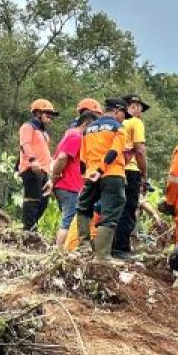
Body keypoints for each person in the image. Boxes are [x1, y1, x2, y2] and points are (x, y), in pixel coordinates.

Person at [75, 97, 129, 259]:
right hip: (112, 174)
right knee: (111, 213)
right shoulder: (118, 128)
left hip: (91, 174)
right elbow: (114, 151)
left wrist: (87, 174)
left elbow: (82, 158)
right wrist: (101, 168)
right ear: (118, 111)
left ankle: (84, 247)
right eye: (124, 114)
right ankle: (102, 256)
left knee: (83, 207)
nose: (124, 118)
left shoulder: (89, 128)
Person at [45, 98, 101, 249]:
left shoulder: (73, 135)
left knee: (70, 220)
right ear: (86, 124)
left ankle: (63, 251)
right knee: (68, 222)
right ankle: (59, 253)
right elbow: (62, 158)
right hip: (68, 186)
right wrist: (54, 179)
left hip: (70, 185)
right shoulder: (75, 136)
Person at [113, 94, 150, 259]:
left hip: (114, 170)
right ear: (134, 106)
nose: (141, 111)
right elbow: (140, 150)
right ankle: (121, 249)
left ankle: (111, 246)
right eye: (140, 107)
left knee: (114, 209)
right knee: (128, 209)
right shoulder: (136, 122)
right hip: (131, 169)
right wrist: (144, 173)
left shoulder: (116, 123)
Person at [18, 99, 58, 232]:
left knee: (43, 201)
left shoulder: (43, 133)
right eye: (48, 113)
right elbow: (25, 144)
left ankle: (32, 226)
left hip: (44, 170)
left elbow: (45, 153)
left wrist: (51, 173)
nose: (50, 117)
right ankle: (28, 230)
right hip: (31, 168)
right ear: (38, 113)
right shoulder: (28, 127)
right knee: (32, 199)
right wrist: (32, 160)